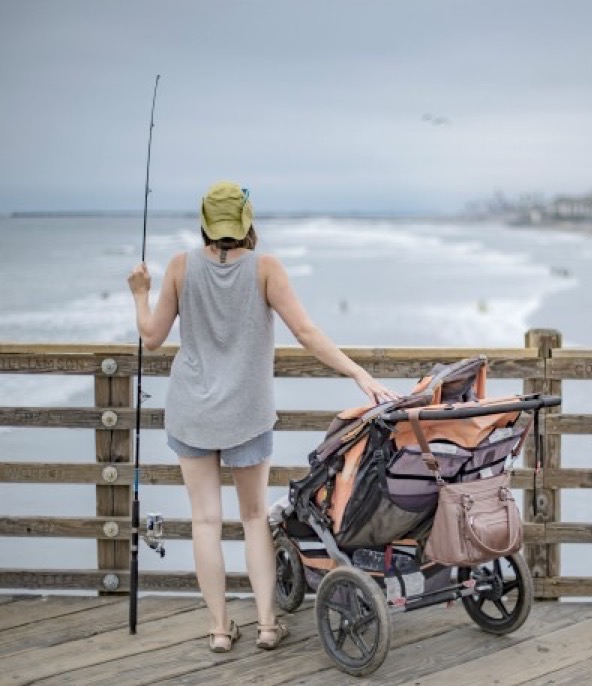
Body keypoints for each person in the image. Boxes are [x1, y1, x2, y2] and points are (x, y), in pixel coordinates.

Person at [127, 181, 398, 653]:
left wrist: (139, 293)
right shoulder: (266, 268)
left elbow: (150, 337)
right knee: (254, 518)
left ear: (206, 223)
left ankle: (218, 630)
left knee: (205, 522)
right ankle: (268, 625)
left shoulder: (178, 267)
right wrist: (359, 373)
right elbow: (308, 333)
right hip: (247, 413)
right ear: (247, 221)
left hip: (191, 410)